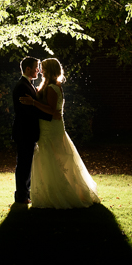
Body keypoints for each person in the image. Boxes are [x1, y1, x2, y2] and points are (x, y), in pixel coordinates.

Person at [20, 58, 100, 209]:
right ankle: (49, 192)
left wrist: (34, 102)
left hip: (51, 128)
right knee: (50, 159)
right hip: (47, 126)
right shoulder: (47, 85)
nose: (40, 70)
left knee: (55, 159)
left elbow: (52, 111)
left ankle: (59, 194)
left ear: (49, 70)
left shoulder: (52, 87)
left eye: (42, 68)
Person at [11, 57, 53, 205]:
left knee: (26, 164)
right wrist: (50, 116)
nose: (38, 70)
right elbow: (29, 111)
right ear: (28, 69)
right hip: (24, 131)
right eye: (36, 67)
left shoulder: (28, 85)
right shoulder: (22, 86)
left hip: (27, 131)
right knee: (23, 164)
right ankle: (21, 196)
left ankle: (24, 194)